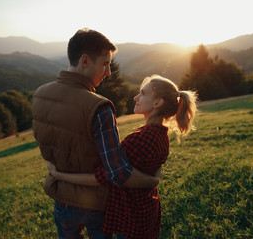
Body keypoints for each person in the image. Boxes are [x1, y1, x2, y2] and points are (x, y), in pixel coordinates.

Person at [32, 29, 159, 239]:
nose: (109, 72)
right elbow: (117, 172)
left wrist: (59, 174)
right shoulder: (99, 107)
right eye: (105, 63)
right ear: (85, 61)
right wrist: (151, 181)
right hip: (95, 207)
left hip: (61, 202)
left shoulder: (39, 95)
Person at [47, 75, 198, 239]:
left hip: (132, 215)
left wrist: (59, 175)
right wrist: (153, 180)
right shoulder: (161, 134)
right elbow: (154, 171)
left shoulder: (142, 138)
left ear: (157, 103)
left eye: (143, 93)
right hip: (145, 209)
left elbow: (103, 176)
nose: (136, 97)